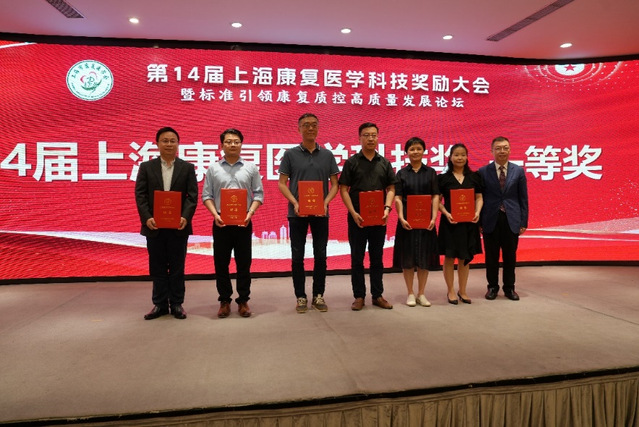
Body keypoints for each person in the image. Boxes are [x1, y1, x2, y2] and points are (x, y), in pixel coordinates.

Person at [278, 113, 339, 313]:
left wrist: (325, 203)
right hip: (297, 213)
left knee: (321, 255)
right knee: (297, 256)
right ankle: (301, 297)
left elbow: (335, 184)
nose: (310, 128)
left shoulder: (327, 155)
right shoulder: (290, 154)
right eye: (306, 125)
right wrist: (295, 202)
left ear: (318, 128)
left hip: (321, 213)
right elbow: (282, 183)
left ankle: (318, 295)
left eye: (314, 125)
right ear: (299, 129)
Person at [135, 126, 198, 320]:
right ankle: (160, 304)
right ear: (157, 143)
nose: (169, 144)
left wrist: (185, 217)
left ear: (178, 144)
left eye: (172, 141)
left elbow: (192, 196)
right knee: (158, 267)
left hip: (179, 226)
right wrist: (147, 217)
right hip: (154, 226)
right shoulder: (147, 167)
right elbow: (140, 195)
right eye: (165, 140)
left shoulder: (187, 168)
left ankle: (177, 303)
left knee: (178, 267)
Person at [202, 128, 264, 318]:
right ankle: (224, 300)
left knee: (244, 263)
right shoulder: (213, 169)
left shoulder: (251, 168)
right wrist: (215, 215)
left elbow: (258, 194)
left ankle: (243, 300)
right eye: (228, 142)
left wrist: (250, 213)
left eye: (236, 141)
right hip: (221, 221)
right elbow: (207, 195)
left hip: (243, 221)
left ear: (241, 144)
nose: (232, 145)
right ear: (222, 145)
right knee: (221, 263)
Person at [339, 122, 397, 311]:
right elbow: (343, 189)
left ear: (378, 137)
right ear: (359, 138)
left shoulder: (384, 163)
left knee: (377, 258)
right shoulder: (352, 162)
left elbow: (391, 188)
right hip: (357, 218)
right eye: (366, 135)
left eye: (373, 135)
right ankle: (359, 296)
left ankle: (377, 295)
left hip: (379, 218)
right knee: (357, 258)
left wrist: (387, 209)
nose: (370, 138)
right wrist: (353, 212)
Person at [478, 136, 529, 301]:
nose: (502, 151)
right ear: (491, 151)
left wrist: (523, 221)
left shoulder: (518, 171)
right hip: (490, 219)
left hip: (511, 219)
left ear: (510, 150)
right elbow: (478, 198)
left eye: (505, 148)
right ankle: (492, 287)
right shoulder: (483, 172)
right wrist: (479, 222)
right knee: (491, 257)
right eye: (498, 148)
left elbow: (523, 198)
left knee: (510, 256)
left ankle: (509, 288)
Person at [393, 137, 440, 307]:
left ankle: (421, 293)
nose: (415, 152)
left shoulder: (431, 172)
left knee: (424, 258)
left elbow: (435, 196)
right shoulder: (401, 173)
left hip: (426, 222)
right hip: (407, 222)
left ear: (424, 151)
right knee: (408, 259)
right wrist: (401, 217)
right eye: (412, 149)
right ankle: (410, 293)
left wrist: (433, 218)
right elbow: (398, 197)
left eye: (419, 149)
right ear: (406, 152)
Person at [437, 143, 483, 305]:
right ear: (450, 157)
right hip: (450, 223)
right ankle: (450, 290)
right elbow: (437, 201)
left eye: (463, 154)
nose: (460, 158)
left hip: (469, 223)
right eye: (456, 155)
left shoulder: (474, 177)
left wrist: (477, 212)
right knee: (449, 257)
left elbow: (479, 198)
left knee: (465, 258)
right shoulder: (443, 178)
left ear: (467, 157)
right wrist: (446, 213)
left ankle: (462, 290)